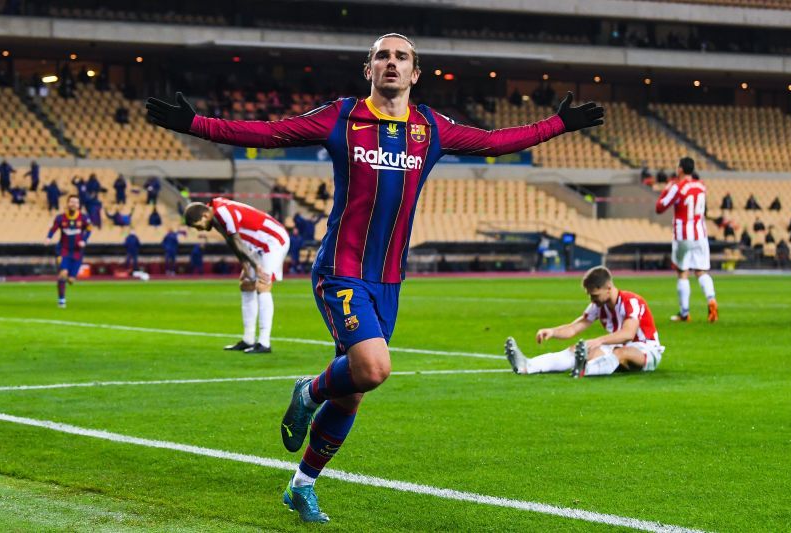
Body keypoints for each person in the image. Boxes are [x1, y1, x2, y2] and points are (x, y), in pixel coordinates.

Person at [146, 32, 604, 523]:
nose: (391, 63)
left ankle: (301, 485)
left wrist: (558, 124)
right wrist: (196, 124)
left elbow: (495, 143)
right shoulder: (341, 117)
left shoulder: (430, 127)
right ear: (369, 69)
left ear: (415, 73)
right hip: (341, 270)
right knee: (372, 368)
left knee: (355, 392)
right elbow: (267, 132)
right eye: (382, 56)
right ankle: (307, 389)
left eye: (401, 57)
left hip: (389, 281)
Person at [505, 266, 663, 378]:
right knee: (578, 350)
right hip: (617, 346)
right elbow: (574, 328)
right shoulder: (598, 304)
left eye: (594, 294)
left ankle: (584, 370)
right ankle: (526, 366)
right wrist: (552, 332)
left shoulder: (631, 301)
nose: (591, 299)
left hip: (646, 350)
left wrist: (599, 340)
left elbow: (628, 334)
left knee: (620, 353)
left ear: (608, 287)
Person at [182, 198, 290, 355]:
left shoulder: (223, 212)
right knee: (246, 284)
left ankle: (264, 343)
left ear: (205, 215)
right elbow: (230, 240)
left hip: (272, 240)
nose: (200, 230)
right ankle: (248, 339)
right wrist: (245, 264)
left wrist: (255, 266)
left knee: (263, 284)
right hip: (256, 245)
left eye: (198, 226)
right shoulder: (216, 213)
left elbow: (236, 240)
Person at [655, 157, 718, 322]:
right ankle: (711, 300)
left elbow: (660, 207)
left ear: (680, 169)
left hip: (683, 234)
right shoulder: (701, 186)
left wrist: (666, 188)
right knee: (701, 271)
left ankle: (684, 313)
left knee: (682, 272)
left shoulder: (678, 187)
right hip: (700, 234)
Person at [46, 195, 92, 308]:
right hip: (63, 250)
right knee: (63, 273)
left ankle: (66, 280)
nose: (73, 204)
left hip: (77, 252)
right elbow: (53, 228)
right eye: (71, 202)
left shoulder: (84, 218)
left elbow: (89, 230)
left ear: (79, 205)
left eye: (76, 202)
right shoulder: (60, 218)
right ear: (67, 203)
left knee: (71, 280)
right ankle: (61, 300)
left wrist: (84, 240)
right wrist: (48, 237)